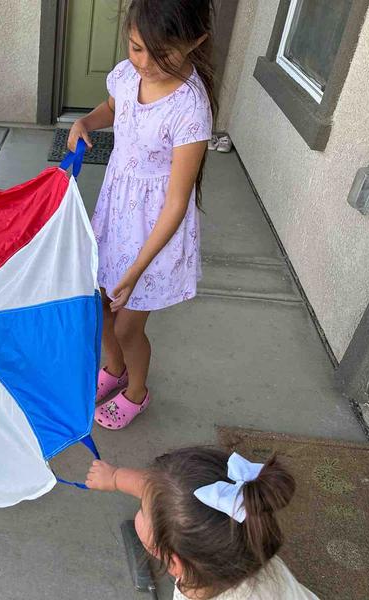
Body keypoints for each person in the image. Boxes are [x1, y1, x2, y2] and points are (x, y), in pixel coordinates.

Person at [67, 0, 214, 429]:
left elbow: (176, 202)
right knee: (103, 308)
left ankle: (137, 391)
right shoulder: (130, 72)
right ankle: (114, 369)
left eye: (162, 53)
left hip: (154, 235)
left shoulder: (190, 108)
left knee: (130, 326)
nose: (145, 63)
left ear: (196, 42)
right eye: (136, 48)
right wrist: (86, 123)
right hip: (118, 215)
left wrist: (136, 268)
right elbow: (113, 108)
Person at [86, 448, 320, 599]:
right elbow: (160, 491)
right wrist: (115, 477)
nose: (141, 506)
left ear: (174, 564)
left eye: (143, 511)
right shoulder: (245, 544)